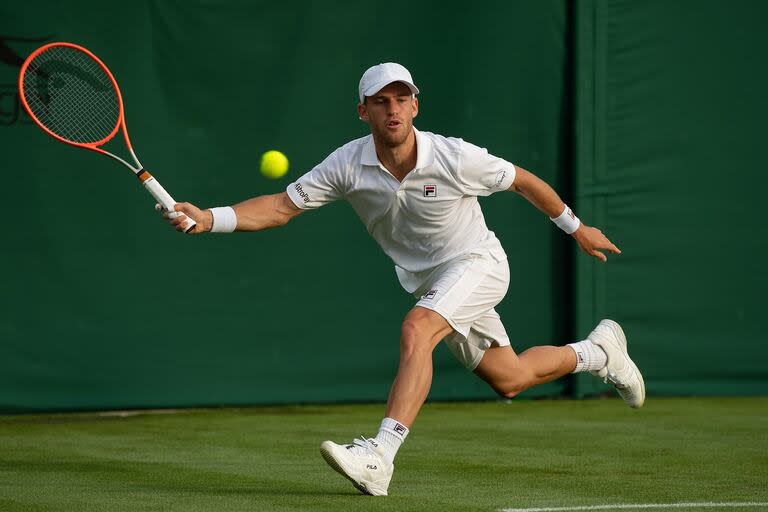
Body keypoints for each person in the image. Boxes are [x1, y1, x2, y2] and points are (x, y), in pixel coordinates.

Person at [162, 63, 644, 497]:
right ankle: (601, 353)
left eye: (400, 99)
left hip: (479, 263)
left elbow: (523, 180)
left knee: (418, 328)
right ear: (363, 111)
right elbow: (280, 208)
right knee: (510, 378)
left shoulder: (455, 157)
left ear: (415, 105)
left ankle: (380, 456)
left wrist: (576, 228)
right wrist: (209, 217)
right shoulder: (347, 165)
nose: (392, 109)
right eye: (380, 101)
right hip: (431, 279)